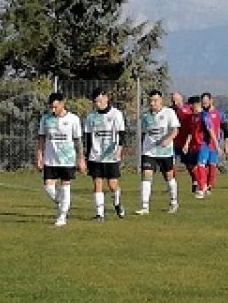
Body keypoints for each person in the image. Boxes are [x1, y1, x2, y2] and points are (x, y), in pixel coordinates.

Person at [36, 92, 86, 227]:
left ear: (63, 104)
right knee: (48, 186)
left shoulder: (73, 119)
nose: (53, 110)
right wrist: (39, 155)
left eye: (56, 107)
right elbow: (41, 138)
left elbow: (78, 141)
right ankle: (62, 201)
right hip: (50, 159)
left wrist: (81, 158)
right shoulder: (45, 119)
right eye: (51, 107)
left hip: (67, 159)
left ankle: (62, 216)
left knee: (65, 186)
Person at [83, 88, 128, 220]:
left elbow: (121, 134)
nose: (98, 104)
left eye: (100, 100)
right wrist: (87, 157)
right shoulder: (91, 117)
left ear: (106, 98)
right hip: (95, 155)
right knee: (97, 183)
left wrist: (119, 150)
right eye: (96, 101)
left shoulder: (116, 114)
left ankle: (117, 203)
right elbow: (88, 138)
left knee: (112, 184)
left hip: (111, 155)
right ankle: (99, 214)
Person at [136, 89, 181, 215]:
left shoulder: (169, 113)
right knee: (146, 175)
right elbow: (145, 133)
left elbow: (175, 130)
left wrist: (168, 140)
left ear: (161, 100)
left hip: (165, 152)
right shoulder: (145, 116)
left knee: (169, 177)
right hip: (149, 151)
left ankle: (173, 202)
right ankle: (144, 206)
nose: (152, 103)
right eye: (150, 101)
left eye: (155, 100)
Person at [197, 92, 227, 196]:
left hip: (214, 144)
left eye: (206, 102)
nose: (204, 104)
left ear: (211, 101)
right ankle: (202, 188)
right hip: (204, 144)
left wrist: (223, 146)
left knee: (212, 166)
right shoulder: (202, 114)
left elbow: (224, 130)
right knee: (201, 164)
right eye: (203, 102)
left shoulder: (219, 114)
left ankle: (209, 186)